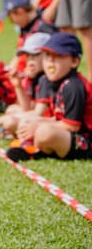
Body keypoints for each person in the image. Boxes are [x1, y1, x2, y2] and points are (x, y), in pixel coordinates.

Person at [6, 32, 92, 162]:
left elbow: (72, 126)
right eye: (47, 55)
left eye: (57, 56)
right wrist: (34, 123)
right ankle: (31, 147)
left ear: (74, 62)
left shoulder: (73, 86)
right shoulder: (50, 81)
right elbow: (57, 117)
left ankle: (36, 150)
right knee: (30, 122)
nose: (50, 60)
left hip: (86, 140)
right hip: (68, 134)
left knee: (45, 133)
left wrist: (38, 125)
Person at [0, 32, 52, 137]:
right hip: (40, 117)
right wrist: (18, 86)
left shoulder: (47, 79)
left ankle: (13, 132)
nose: (30, 60)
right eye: (28, 56)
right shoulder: (34, 77)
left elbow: (38, 114)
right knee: (11, 110)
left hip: (48, 122)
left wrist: (12, 118)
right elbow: (27, 108)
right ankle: (11, 131)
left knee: (10, 121)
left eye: (35, 55)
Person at [1, 0, 58, 74]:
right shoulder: (26, 27)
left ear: (20, 11)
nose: (12, 22)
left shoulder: (43, 28)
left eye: (11, 17)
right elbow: (18, 57)